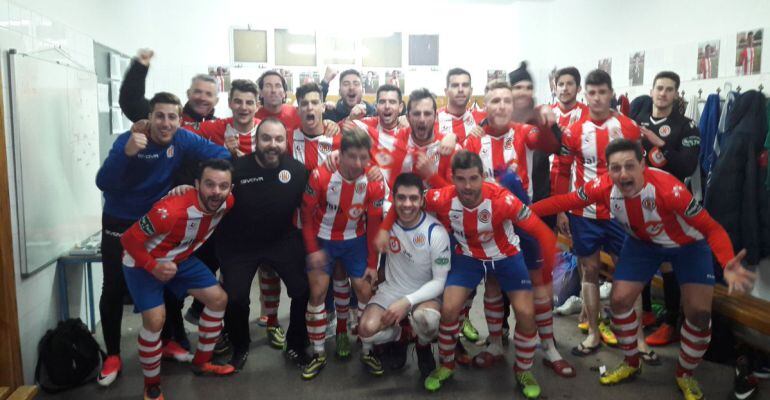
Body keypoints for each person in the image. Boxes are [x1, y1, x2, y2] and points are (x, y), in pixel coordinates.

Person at [530, 139, 756, 400]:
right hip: (643, 245)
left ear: (643, 166)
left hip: (688, 247)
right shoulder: (602, 186)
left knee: (699, 314)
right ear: (609, 170)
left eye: (629, 166)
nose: (623, 174)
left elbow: (712, 228)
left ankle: (685, 374)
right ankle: (631, 362)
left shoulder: (670, 189)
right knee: (619, 300)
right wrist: (523, 212)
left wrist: (727, 261)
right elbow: (564, 201)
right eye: (615, 168)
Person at [376, 150, 557, 399]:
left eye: (473, 178)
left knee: (526, 314)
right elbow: (405, 201)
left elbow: (542, 232)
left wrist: (545, 277)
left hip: (506, 258)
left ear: (483, 177)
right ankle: (446, 366)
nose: (468, 186)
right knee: (449, 310)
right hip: (468, 258)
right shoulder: (442, 197)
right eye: (461, 179)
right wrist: (385, 229)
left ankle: (523, 370)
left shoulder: (503, 199)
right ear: (452, 178)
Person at [94, 92, 230, 386]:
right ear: (149, 117)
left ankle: (167, 341)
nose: (165, 123)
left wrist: (189, 186)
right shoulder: (130, 140)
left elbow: (220, 158)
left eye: (172, 117)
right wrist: (127, 151)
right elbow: (103, 182)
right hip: (121, 220)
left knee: (169, 282)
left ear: (180, 120)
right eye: (159, 116)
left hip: (159, 219)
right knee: (114, 286)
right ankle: (113, 355)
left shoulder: (182, 138)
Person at [463, 81, 573, 378]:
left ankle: (549, 347)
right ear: (484, 106)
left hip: (525, 219)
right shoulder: (474, 140)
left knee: (540, 285)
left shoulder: (523, 132)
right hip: (491, 223)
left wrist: (545, 117)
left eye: (506, 101)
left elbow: (550, 144)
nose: (500, 106)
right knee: (495, 285)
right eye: (494, 100)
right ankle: (496, 343)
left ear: (512, 106)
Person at [120, 159, 236, 400]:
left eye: (223, 186)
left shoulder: (227, 203)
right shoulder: (170, 211)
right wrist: (153, 267)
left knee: (218, 299)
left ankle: (202, 362)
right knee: (155, 320)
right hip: (142, 263)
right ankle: (151, 386)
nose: (216, 192)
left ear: (230, 188)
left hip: (180, 260)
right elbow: (129, 240)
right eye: (209, 184)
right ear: (196, 184)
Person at [552, 69, 641, 356]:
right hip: (584, 214)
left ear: (611, 93)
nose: (597, 98)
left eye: (603, 92)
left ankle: (636, 337)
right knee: (589, 271)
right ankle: (592, 332)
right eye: (592, 92)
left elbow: (642, 171)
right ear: (585, 95)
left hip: (620, 214)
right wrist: (561, 209)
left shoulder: (628, 127)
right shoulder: (574, 131)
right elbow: (562, 170)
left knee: (629, 273)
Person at [215, 118, 312, 370]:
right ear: (256, 141)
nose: (272, 145)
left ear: (286, 142)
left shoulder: (298, 171)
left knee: (302, 290)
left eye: (279, 139)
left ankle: (296, 344)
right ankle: (240, 344)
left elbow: (316, 201)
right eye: (266, 138)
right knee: (235, 298)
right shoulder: (236, 169)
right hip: (240, 244)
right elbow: (210, 195)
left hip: (281, 239)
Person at [301, 127, 386, 380]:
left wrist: (373, 263)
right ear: (340, 154)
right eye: (352, 156)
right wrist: (313, 249)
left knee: (364, 290)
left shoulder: (374, 180)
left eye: (363, 157)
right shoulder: (320, 175)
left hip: (355, 240)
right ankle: (317, 352)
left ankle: (367, 349)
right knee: (317, 293)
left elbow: (373, 225)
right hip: (322, 238)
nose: (358, 163)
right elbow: (305, 217)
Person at [358, 173, 450, 378]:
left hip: (424, 294)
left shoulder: (435, 232)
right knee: (365, 330)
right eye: (401, 198)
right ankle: (402, 335)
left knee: (427, 320)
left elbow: (440, 281)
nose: (407, 204)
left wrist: (407, 302)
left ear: (422, 200)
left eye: (413, 198)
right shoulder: (386, 223)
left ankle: (423, 345)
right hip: (392, 290)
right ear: (393, 199)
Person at [633, 71, 701, 349]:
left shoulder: (687, 126)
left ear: (676, 94)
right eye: (659, 88)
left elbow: (688, 167)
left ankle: (671, 322)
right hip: (637, 201)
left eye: (669, 89)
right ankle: (647, 310)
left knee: (667, 262)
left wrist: (660, 143)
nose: (663, 93)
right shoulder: (636, 121)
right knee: (642, 257)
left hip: (670, 205)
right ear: (651, 91)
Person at [119, 49, 218, 131]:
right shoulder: (166, 117)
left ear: (216, 100)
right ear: (188, 94)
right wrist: (139, 68)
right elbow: (131, 102)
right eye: (197, 92)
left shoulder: (221, 128)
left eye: (209, 94)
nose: (202, 98)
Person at [436, 68, 485, 144]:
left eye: (465, 85)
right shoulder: (433, 119)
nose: (460, 89)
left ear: (471, 91)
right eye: (455, 85)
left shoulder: (483, 119)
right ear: (446, 92)